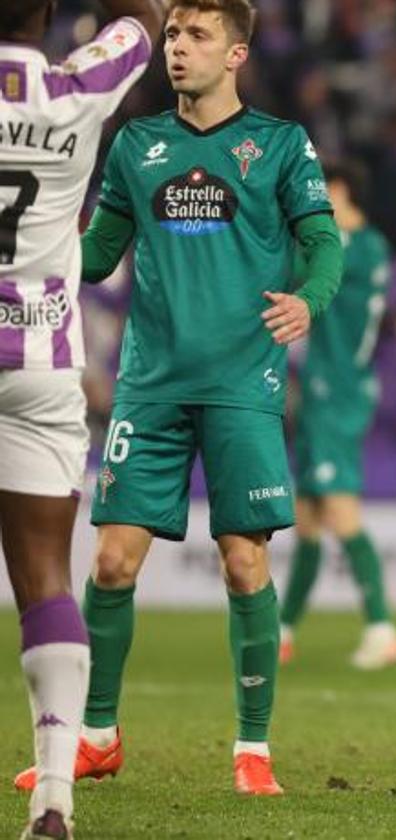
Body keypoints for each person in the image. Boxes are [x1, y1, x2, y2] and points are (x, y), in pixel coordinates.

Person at [12, 0, 343, 798]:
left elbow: (324, 240)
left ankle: (252, 749)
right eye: (172, 34)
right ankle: (96, 736)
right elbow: (95, 257)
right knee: (114, 563)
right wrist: (39, 246)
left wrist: (311, 299)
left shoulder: (279, 144)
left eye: (197, 36)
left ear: (237, 53)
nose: (177, 49)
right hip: (149, 386)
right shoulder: (136, 144)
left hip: (242, 383)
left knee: (242, 563)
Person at [0, 0, 161, 835]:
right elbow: (145, 18)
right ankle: (55, 795)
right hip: (37, 360)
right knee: (46, 580)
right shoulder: (77, 87)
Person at [279, 161, 396, 670]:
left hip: (339, 390)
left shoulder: (355, 246)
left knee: (337, 506)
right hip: (325, 387)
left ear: (339, 191)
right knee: (308, 515)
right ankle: (283, 629)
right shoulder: (366, 247)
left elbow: (291, 269)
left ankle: (382, 627)